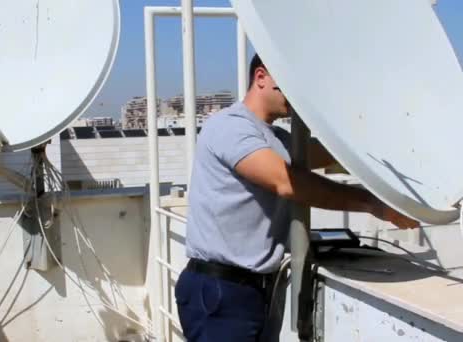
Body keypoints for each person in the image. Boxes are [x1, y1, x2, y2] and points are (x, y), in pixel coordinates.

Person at [174, 54, 419, 342]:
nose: (295, 96)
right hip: (220, 291)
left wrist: (385, 153)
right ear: (261, 77)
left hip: (258, 290)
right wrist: (372, 203)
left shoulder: (276, 138)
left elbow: (329, 156)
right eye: (288, 85)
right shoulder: (230, 127)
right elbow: (286, 182)